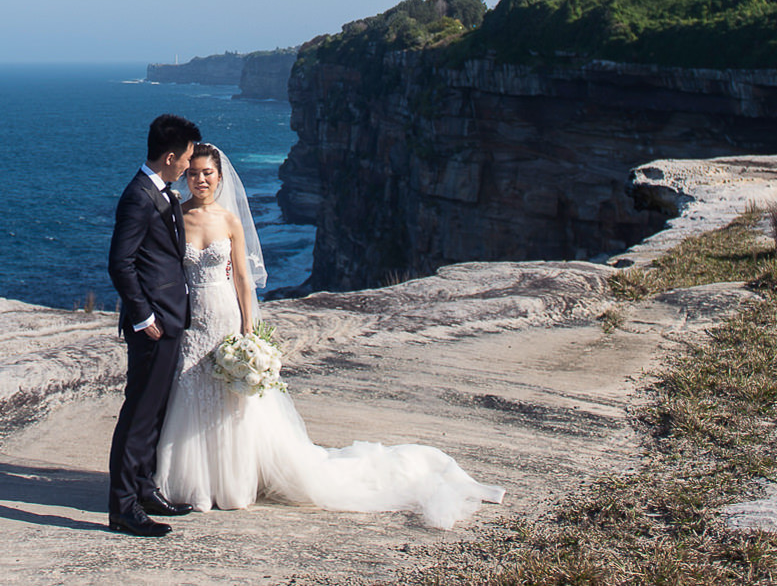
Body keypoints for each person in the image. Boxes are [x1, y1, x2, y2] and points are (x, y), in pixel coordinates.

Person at [155, 143, 505, 529]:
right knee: (193, 393)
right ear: (185, 176)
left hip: (226, 317)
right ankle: (196, 484)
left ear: (219, 177)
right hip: (192, 323)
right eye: (194, 173)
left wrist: (248, 330)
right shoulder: (175, 216)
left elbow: (242, 277)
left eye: (208, 173)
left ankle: (233, 484)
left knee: (233, 402)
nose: (201, 180)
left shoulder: (230, 221)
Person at [106, 112, 203, 536]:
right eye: (186, 158)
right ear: (169, 156)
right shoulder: (139, 197)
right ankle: (123, 508)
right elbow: (120, 263)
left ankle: (145, 489)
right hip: (154, 324)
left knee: (157, 409)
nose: (189, 166)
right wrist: (143, 316)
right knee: (139, 413)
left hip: (170, 318)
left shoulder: (161, 191)